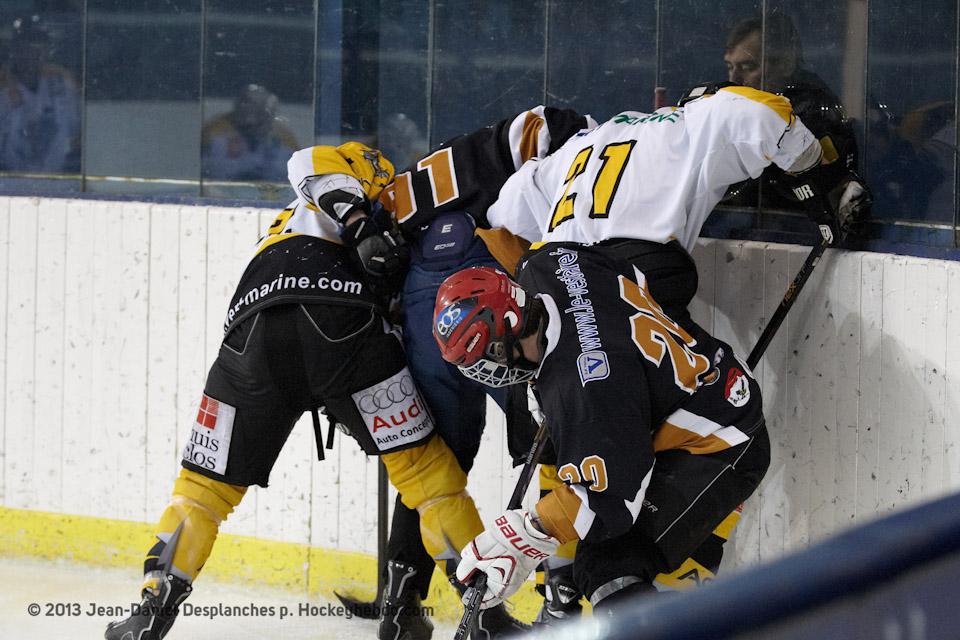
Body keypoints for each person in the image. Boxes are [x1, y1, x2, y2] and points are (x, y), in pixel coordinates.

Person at [431, 83, 871, 614]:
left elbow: (502, 218)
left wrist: (529, 280)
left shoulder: (577, 153)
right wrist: (814, 168)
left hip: (573, 270)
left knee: (595, 446)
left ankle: (581, 580)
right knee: (598, 423)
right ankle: (617, 570)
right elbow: (765, 114)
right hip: (633, 279)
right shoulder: (693, 125)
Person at [103, 142, 480, 640]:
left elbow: (308, 163)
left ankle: (150, 611)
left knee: (201, 491)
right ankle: (482, 611)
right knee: (428, 476)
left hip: (249, 330)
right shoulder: (380, 200)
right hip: (342, 321)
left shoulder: (294, 212)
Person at [370, 105, 597, 639]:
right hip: (492, 283)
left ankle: (401, 602)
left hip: (430, 302)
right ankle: (558, 594)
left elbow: (380, 247)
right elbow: (546, 124)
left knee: (439, 459)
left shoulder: (410, 179)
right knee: (549, 439)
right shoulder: (489, 144)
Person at [722, 14, 859, 213]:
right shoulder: (730, 111)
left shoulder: (814, 116)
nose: (734, 80)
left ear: (785, 64)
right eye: (730, 67)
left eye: (748, 67)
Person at [0, 14, 80, 173]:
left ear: (47, 49)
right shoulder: (3, 89)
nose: (31, 52)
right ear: (14, 49)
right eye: (25, 46)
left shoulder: (62, 86)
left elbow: (76, 139)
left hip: (58, 184)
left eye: (38, 45)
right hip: (8, 185)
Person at [201, 84, 299, 183]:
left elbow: (292, 176)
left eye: (258, 106)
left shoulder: (284, 139)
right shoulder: (217, 133)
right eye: (245, 103)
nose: (248, 108)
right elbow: (211, 172)